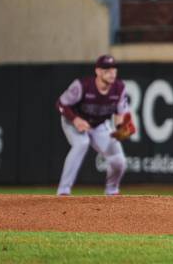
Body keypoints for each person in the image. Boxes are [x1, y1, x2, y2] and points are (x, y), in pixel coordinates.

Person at [55, 55, 130, 196]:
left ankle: (112, 191)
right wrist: (76, 119)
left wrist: (121, 130)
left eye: (114, 69)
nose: (112, 73)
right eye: (107, 70)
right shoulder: (82, 86)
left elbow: (120, 114)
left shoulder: (119, 88)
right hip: (73, 121)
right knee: (82, 143)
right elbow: (61, 104)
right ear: (98, 71)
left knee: (119, 160)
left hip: (99, 125)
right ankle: (63, 191)